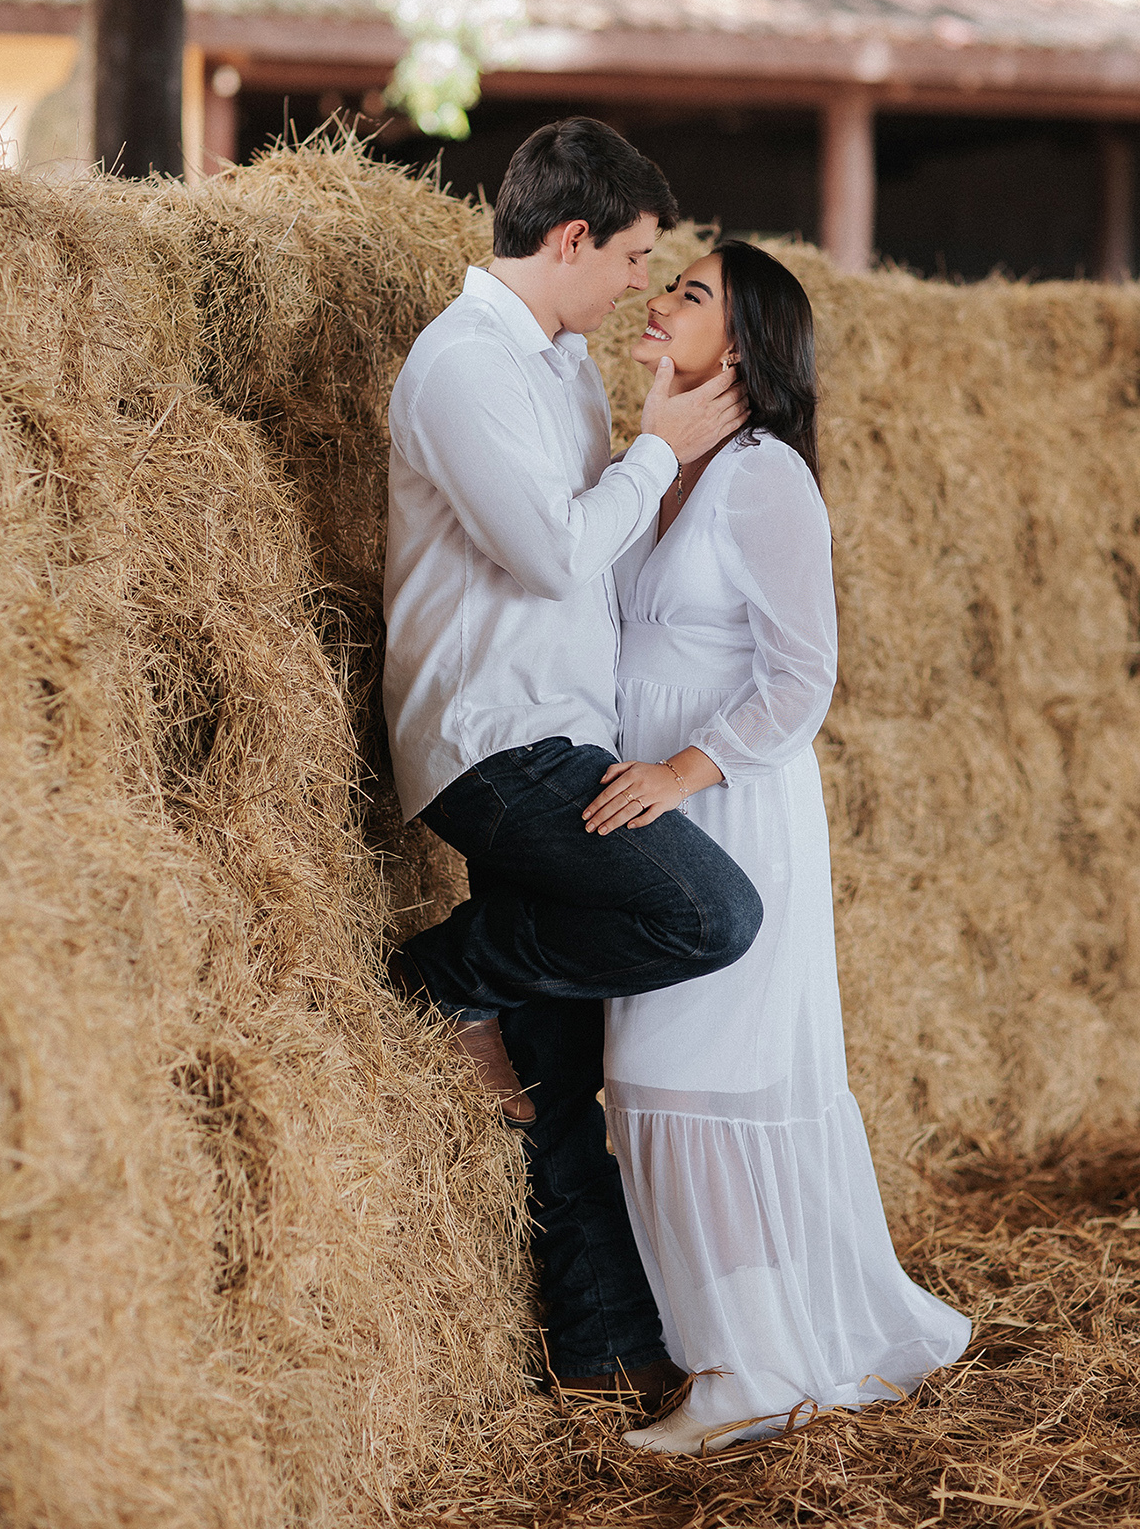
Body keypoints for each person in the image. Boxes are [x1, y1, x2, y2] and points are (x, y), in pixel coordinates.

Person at [382, 119, 764, 1411]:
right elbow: (552, 553)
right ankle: (442, 974)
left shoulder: (554, 367)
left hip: (567, 732)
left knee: (557, 1079)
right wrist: (661, 440)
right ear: (571, 237)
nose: (639, 289)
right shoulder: (460, 368)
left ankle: (601, 1354)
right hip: (495, 739)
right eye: (637, 259)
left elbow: (598, 545)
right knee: (711, 913)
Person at [582, 240, 971, 1453]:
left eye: (690, 293)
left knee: (691, 1078)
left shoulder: (764, 478)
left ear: (743, 346)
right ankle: (745, 1352)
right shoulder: (658, 467)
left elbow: (805, 677)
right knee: (649, 1080)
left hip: (729, 810)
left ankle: (745, 1372)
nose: (660, 297)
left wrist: (681, 771)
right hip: (648, 812)